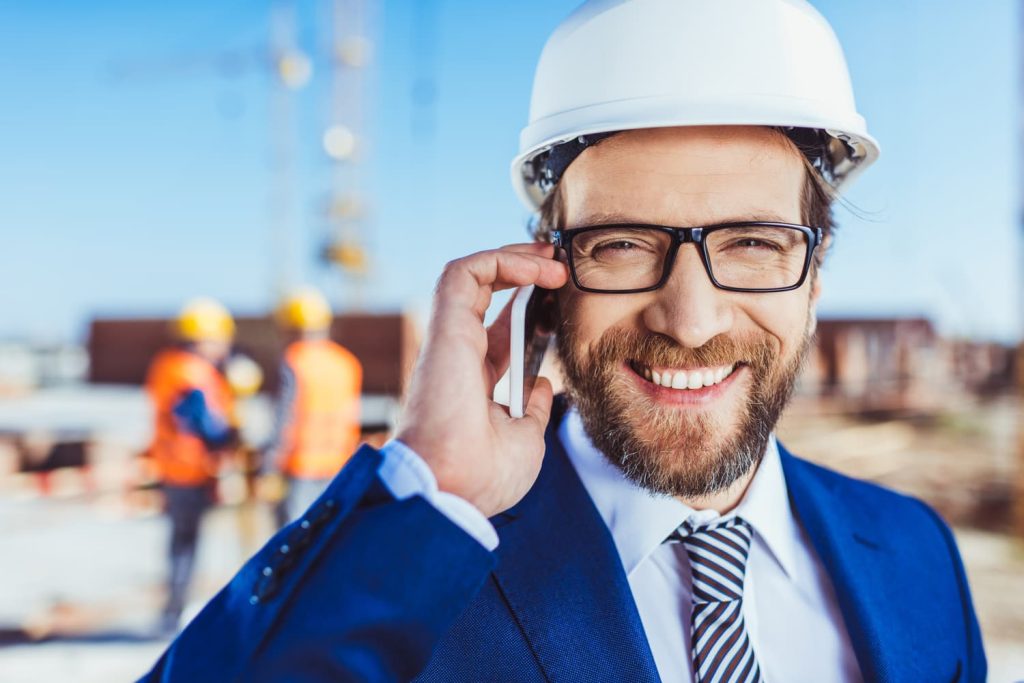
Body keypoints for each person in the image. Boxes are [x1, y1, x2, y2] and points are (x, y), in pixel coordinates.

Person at [141, 1, 986, 681]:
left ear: (815, 273)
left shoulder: (914, 555)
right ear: (546, 276)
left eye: (753, 244)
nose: (689, 320)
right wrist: (430, 490)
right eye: (621, 244)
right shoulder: (425, 574)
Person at [145, 297, 238, 634]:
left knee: (181, 542)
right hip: (188, 470)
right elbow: (202, 423)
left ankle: (175, 607)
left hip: (175, 467)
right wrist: (230, 435)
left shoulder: (169, 364)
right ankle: (175, 610)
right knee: (186, 543)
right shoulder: (191, 371)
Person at [263, 287, 363, 528]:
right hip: (337, 463)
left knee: (293, 535)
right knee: (325, 532)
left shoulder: (295, 359)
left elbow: (286, 416)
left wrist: (271, 464)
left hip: (300, 465)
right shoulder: (346, 362)